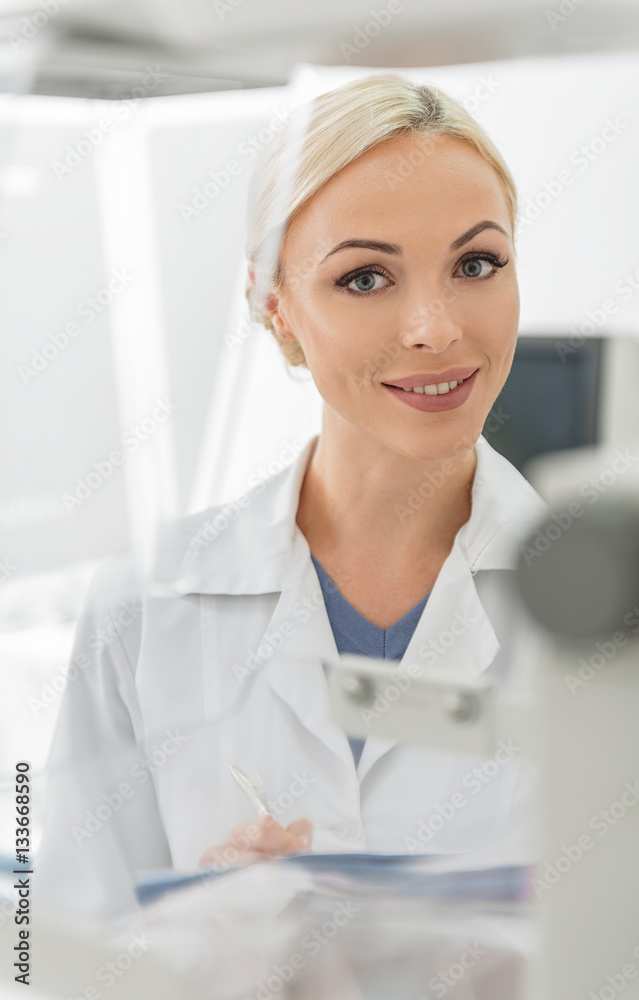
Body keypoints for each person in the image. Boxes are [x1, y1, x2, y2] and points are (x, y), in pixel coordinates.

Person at [35, 73, 548, 922]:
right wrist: (212, 939)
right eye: (366, 278)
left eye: (476, 264)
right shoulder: (147, 606)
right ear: (275, 306)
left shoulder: (628, 613)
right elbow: (59, 948)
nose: (436, 327)